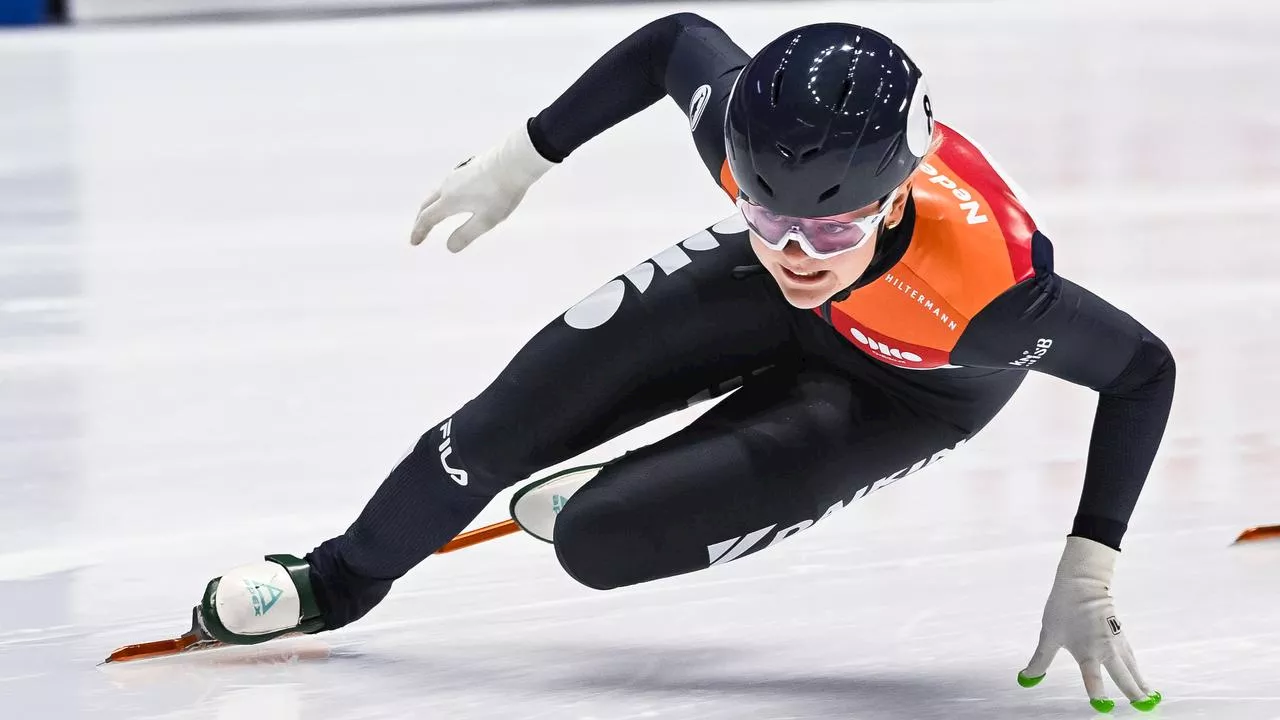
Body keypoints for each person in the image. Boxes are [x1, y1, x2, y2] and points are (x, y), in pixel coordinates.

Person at [192, 15, 1171, 713]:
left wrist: (1089, 562)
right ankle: (335, 579)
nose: (794, 251)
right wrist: (523, 156)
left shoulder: (989, 299)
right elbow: (673, 42)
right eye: (763, 211)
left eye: (826, 228)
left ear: (892, 196)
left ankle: (630, 489)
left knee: (600, 543)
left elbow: (1141, 373)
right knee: (491, 430)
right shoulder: (750, 144)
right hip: (762, 300)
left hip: (909, 386)